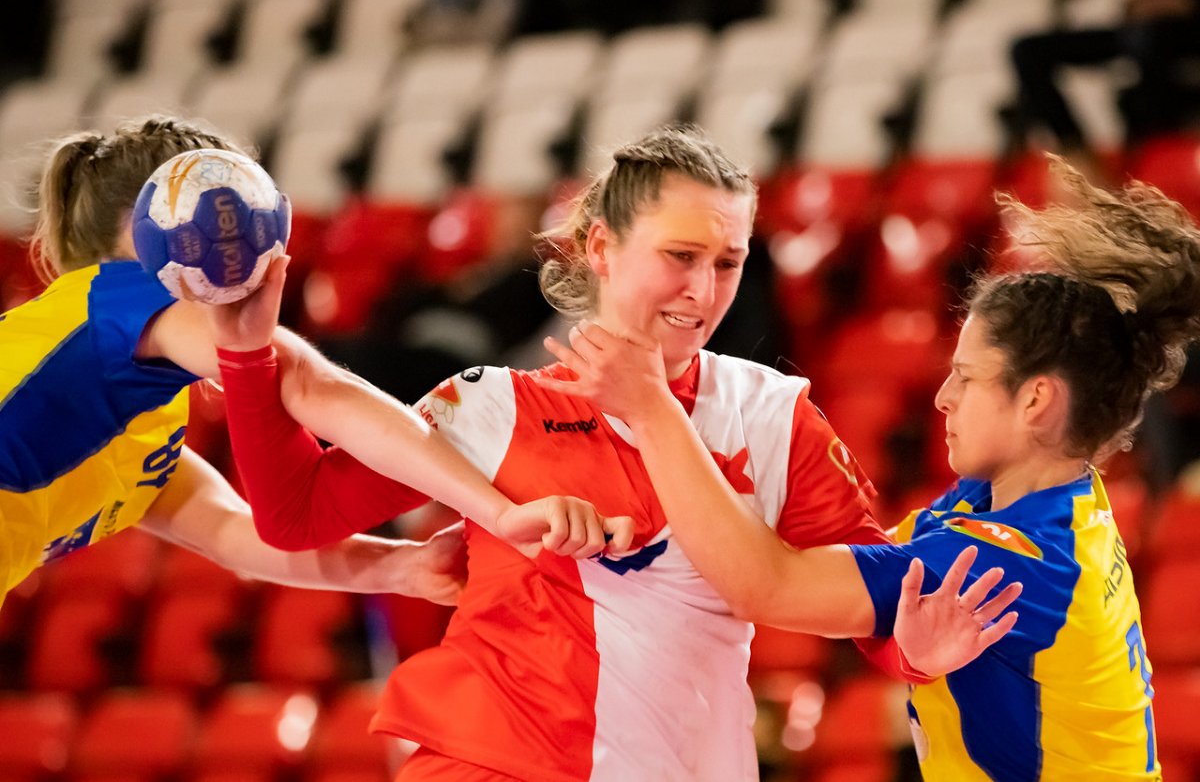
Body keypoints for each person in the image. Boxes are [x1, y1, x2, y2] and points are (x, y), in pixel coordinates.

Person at [211, 125, 1016, 781]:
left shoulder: (773, 415)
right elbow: (294, 515)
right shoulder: (492, 405)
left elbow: (872, 601)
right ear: (599, 247)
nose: (703, 291)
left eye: (728, 263)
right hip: (492, 761)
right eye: (680, 256)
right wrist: (245, 355)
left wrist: (912, 652)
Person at [542, 155, 1197, 780]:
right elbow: (855, 568)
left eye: (967, 377)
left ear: (1035, 400)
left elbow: (768, 587)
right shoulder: (1027, 504)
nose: (943, 397)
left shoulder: (1002, 561)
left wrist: (652, 410)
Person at [0, 114, 630, 612]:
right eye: (220, 216)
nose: (235, 249)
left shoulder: (132, 407)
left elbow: (229, 532)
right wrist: (497, 509)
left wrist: (399, 567)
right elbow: (306, 383)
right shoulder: (123, 292)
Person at [1011, 0, 1200, 175]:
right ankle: (1076, 154)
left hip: (1179, 34)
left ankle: (1157, 150)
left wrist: (1181, 1)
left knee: (1146, 42)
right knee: (1028, 51)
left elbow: (1177, 2)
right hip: (1142, 31)